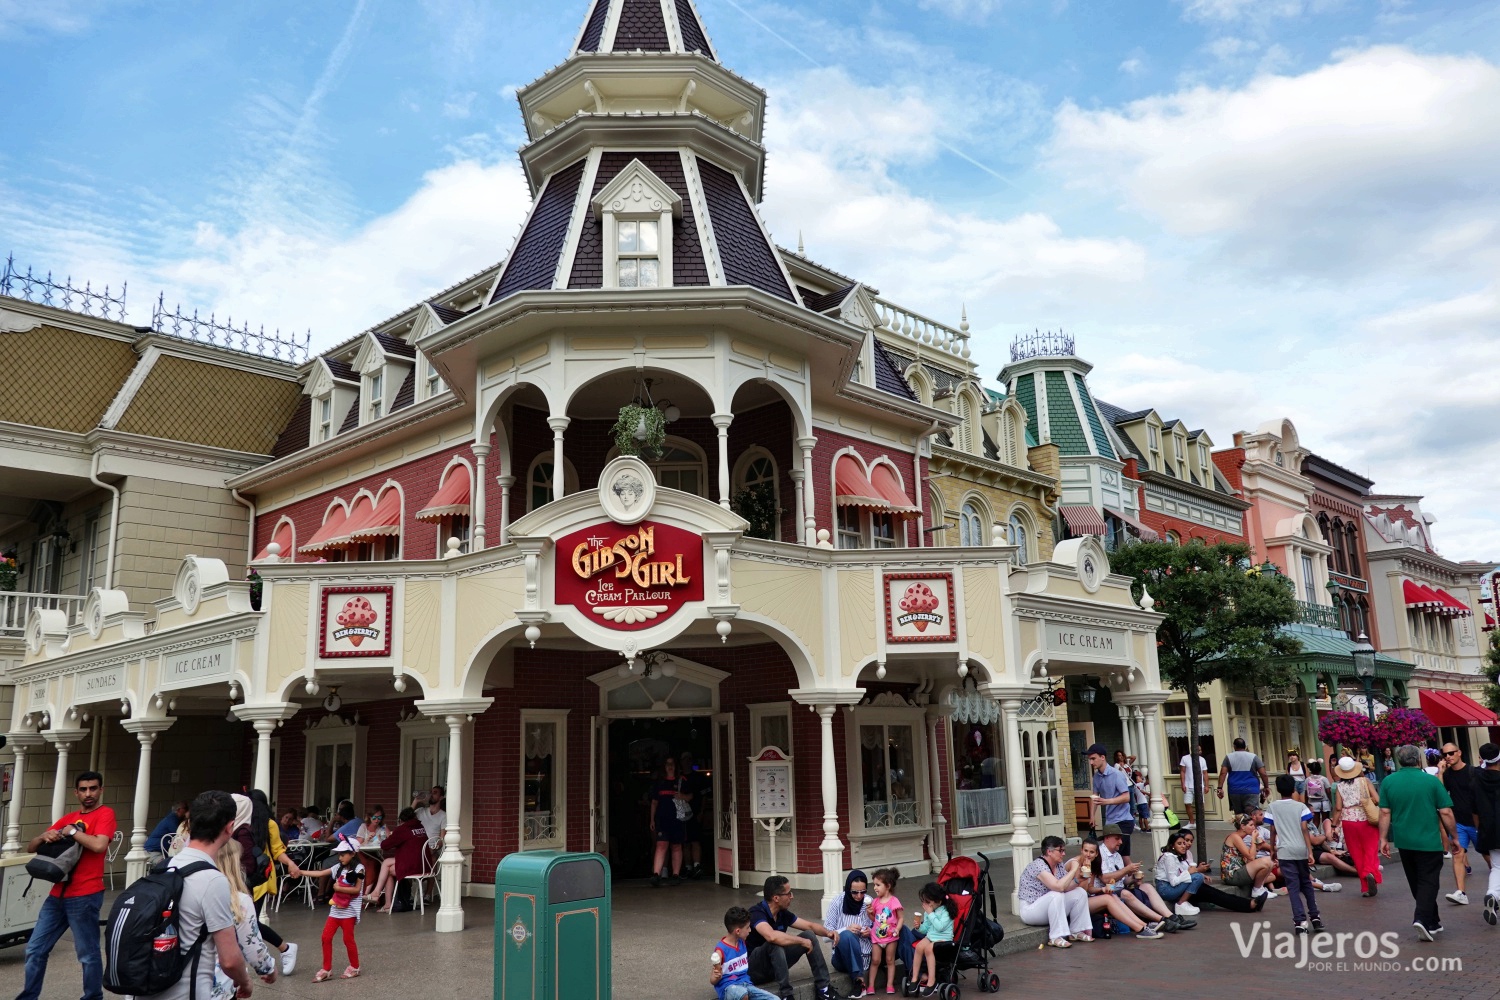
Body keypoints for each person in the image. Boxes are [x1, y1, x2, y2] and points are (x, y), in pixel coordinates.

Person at [16, 770, 117, 1000]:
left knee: (87, 954)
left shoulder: (105, 814)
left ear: (101, 790)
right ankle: (28, 997)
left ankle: (92, 997)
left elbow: (99, 845)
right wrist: (46, 836)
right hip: (57, 894)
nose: (88, 793)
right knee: (34, 949)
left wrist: (71, 831)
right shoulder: (68, 818)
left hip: (85, 894)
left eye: (93, 788)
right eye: (83, 789)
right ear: (76, 793)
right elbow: (31, 847)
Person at [163, 790, 256, 1000]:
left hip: (150, 986)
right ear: (230, 827)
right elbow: (230, 960)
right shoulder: (213, 880)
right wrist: (246, 983)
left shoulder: (165, 867)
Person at [1379, 744, 1458, 941]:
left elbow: (1384, 811)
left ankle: (1433, 920)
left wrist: (1383, 838)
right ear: (1417, 760)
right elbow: (1446, 811)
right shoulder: (1430, 782)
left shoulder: (1388, 782)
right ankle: (1422, 918)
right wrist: (1454, 836)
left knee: (1416, 880)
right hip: (1428, 840)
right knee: (1429, 881)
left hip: (1405, 840)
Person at [745, 875, 839, 1000]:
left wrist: (829, 933)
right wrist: (801, 941)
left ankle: (824, 989)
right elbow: (771, 936)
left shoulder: (782, 913)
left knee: (809, 935)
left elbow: (809, 925)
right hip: (754, 970)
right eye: (788, 894)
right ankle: (787, 995)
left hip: (774, 968)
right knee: (775, 944)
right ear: (776, 898)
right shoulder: (756, 913)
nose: (792, 896)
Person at [210, 839, 278, 1000]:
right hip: (217, 987)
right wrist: (268, 969)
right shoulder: (237, 900)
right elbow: (252, 944)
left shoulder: (189, 888)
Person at [247, 789, 301, 974]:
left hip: (261, 875)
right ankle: (282, 950)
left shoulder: (269, 824)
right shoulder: (241, 822)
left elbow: (277, 850)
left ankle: (283, 950)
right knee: (244, 921)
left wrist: (291, 864)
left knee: (249, 921)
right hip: (241, 875)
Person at [1075, 839, 1167, 938]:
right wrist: (1084, 876)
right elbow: (1080, 891)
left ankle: (1144, 926)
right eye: (1086, 851)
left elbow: (1090, 888)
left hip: (1086, 899)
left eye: (1091, 852)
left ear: (1096, 854)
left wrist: (1103, 889)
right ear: (1081, 850)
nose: (1088, 855)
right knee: (1109, 898)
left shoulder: (1092, 864)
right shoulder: (1075, 863)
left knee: (1112, 896)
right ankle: (1139, 929)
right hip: (1075, 902)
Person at [1265, 774, 1323, 933]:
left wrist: (1272, 849)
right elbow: (1304, 829)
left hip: (1285, 851)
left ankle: (1300, 922)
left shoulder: (1273, 807)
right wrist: (1310, 851)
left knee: (1293, 886)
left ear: (1277, 789)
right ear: (1293, 789)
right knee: (1306, 883)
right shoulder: (1301, 807)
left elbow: (1272, 830)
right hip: (1301, 850)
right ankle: (1315, 917)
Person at [302, 836, 365, 980]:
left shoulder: (359, 869)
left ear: (353, 854)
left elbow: (357, 890)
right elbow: (321, 873)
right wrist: (301, 872)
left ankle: (355, 967)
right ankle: (326, 969)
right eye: (339, 854)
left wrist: (338, 888)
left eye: (343, 854)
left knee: (348, 939)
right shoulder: (338, 867)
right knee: (325, 937)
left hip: (349, 912)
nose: (340, 857)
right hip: (335, 910)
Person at [1155, 830, 1262, 914]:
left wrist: (1198, 873)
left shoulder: (1182, 855)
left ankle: (1248, 904)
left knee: (1214, 893)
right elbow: (1174, 881)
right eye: (1182, 843)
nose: (1185, 845)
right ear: (1173, 845)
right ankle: (1181, 904)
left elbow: (1184, 873)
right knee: (1203, 884)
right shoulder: (1169, 857)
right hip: (1169, 889)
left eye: (1188, 842)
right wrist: (1196, 872)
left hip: (1182, 886)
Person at [1018, 836, 1091, 948]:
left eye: (1064, 850)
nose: (1063, 854)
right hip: (1030, 910)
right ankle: (1055, 937)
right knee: (1056, 894)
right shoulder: (1038, 865)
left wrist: (1078, 880)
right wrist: (1073, 869)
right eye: (1060, 850)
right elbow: (1058, 887)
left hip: (1048, 907)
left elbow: (1065, 887)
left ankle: (1076, 931)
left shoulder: (1059, 865)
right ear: (1049, 851)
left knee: (1080, 892)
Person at [1332, 754, 1382, 896]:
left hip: (1348, 822)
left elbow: (1338, 808)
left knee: (1356, 853)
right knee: (1371, 849)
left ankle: (1365, 886)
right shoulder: (1364, 781)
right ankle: (1369, 871)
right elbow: (1378, 800)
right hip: (1366, 818)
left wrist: (1334, 826)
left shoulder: (1339, 786)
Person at [1438, 742, 1478, 906]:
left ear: (1459, 752)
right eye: (1445, 754)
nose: (1448, 757)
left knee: (1489, 857)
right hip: (1458, 822)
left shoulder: (1473, 772)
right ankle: (1461, 892)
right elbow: (1439, 794)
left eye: (1451, 753)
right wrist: (1440, 773)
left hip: (1476, 822)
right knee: (1458, 855)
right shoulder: (1447, 775)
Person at [712, 907, 781, 1000]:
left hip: (746, 985)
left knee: (775, 999)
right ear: (738, 931)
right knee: (742, 994)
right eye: (748, 927)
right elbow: (712, 980)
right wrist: (715, 976)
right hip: (729, 988)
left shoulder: (742, 942)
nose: (750, 930)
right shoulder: (721, 950)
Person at [366, 807, 427, 911]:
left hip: (413, 865)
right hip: (423, 864)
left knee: (386, 863)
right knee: (388, 867)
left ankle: (378, 895)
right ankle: (387, 903)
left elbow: (385, 845)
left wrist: (392, 836)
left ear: (401, 820)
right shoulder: (420, 827)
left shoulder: (403, 829)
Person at [823, 870, 873, 997]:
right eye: (855, 892)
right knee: (847, 936)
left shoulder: (869, 902)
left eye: (863, 892)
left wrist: (870, 932)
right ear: (848, 889)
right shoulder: (837, 902)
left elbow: (880, 928)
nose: (859, 896)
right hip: (841, 958)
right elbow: (825, 936)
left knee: (901, 931)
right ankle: (859, 981)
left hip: (866, 957)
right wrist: (845, 929)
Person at [1086, 743, 1134, 861]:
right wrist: (1092, 816)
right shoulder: (1097, 777)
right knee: (1120, 856)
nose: (1091, 763)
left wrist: (1107, 801)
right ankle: (1133, 877)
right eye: (1090, 759)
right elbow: (1095, 796)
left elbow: (1126, 797)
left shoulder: (1116, 774)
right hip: (1110, 821)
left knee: (1117, 855)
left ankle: (1129, 877)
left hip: (1123, 820)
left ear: (1102, 757)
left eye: (1093, 759)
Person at [649, 757, 691, 887]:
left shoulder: (682, 781)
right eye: (667, 764)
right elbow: (654, 802)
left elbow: (691, 796)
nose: (670, 766)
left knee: (676, 846)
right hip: (662, 819)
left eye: (672, 764)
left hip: (677, 819)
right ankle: (656, 874)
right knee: (661, 845)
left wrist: (682, 796)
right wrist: (651, 819)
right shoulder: (659, 782)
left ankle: (676, 875)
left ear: (676, 766)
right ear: (664, 767)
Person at [910, 882, 960, 991]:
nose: (925, 904)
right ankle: (915, 977)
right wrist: (919, 927)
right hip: (931, 937)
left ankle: (931, 981)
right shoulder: (929, 911)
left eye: (928, 902)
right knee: (919, 947)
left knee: (928, 949)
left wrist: (930, 913)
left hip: (944, 939)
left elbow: (940, 927)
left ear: (938, 901)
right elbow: (926, 928)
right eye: (924, 901)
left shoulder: (945, 912)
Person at [1471, 742, 1500, 926]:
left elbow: (1474, 811)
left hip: (1489, 828)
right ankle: (1493, 896)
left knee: (1497, 867)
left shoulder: (1475, 781)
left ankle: (1493, 894)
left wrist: (1479, 828)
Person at [1220, 813, 1276, 899]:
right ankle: (1257, 890)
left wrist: (1258, 846)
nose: (1254, 828)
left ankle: (1259, 888)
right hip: (1231, 875)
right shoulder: (1235, 837)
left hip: (1240, 871)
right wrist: (1253, 839)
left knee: (1270, 864)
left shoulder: (1241, 838)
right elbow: (1251, 857)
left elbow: (1250, 858)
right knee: (1267, 860)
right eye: (1251, 825)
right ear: (1243, 826)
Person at [865, 868, 902, 995]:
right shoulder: (875, 902)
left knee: (890, 960)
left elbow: (901, 917)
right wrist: (869, 913)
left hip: (891, 937)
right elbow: (874, 919)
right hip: (876, 937)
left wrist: (897, 929)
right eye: (874, 884)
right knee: (875, 960)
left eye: (878, 885)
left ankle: (890, 985)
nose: (875, 888)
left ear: (888, 886)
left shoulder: (894, 901)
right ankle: (870, 986)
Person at [1217, 737, 1269, 815]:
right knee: (1252, 814)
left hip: (1234, 790)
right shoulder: (1253, 757)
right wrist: (1266, 787)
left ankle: (1241, 826)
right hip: (1251, 789)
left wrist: (1220, 788)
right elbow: (1263, 774)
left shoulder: (1228, 757)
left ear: (1234, 746)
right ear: (1245, 746)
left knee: (1239, 816)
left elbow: (1223, 773)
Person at [680, 751, 708, 879]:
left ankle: (697, 866)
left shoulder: (699, 778)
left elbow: (704, 796)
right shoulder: (679, 778)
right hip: (681, 814)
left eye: (689, 759)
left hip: (695, 813)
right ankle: (688, 868)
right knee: (685, 842)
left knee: (695, 840)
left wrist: (701, 812)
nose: (687, 761)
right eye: (685, 759)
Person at [1179, 744, 1210, 827]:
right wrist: (1182, 783)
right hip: (1188, 785)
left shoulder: (1202, 760)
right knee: (1187, 803)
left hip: (1199, 785)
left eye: (1200, 750)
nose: (1200, 752)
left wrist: (1207, 785)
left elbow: (1205, 773)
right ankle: (1191, 822)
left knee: (1200, 804)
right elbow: (1182, 771)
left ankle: (1200, 822)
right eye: (1199, 750)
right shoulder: (1185, 758)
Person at [1304, 761, 1332, 827]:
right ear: (1320, 769)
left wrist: (1307, 803)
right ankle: (1325, 834)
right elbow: (1328, 791)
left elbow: (1306, 792)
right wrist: (1331, 801)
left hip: (1313, 803)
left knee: (1315, 821)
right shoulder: (1324, 779)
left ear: (1310, 770)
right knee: (1326, 821)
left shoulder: (1307, 780)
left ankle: (1315, 834)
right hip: (1324, 802)